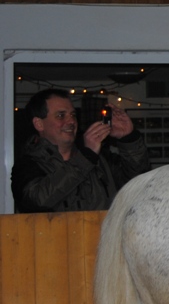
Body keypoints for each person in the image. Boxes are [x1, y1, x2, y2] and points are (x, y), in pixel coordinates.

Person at [11, 88, 151, 213]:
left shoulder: (100, 159)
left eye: (73, 115)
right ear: (39, 124)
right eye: (61, 115)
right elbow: (37, 201)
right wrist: (86, 157)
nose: (71, 121)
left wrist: (128, 138)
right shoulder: (28, 165)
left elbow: (139, 182)